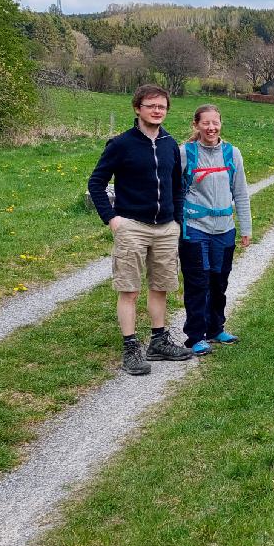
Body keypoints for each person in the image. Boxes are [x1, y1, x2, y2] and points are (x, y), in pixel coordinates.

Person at [87, 84, 194, 376]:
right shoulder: (121, 144)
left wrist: (177, 219)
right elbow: (96, 183)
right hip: (131, 226)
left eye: (162, 106)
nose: (157, 111)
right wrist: (111, 219)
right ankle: (131, 347)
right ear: (137, 108)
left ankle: (158, 341)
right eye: (151, 106)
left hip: (165, 228)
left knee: (161, 287)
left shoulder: (170, 143)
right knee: (129, 290)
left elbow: (177, 187)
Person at [179, 104, 252, 355]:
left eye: (215, 123)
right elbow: (174, 191)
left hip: (225, 230)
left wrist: (246, 227)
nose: (211, 128)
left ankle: (216, 328)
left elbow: (241, 193)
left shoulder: (233, 153)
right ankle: (195, 335)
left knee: (219, 281)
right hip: (195, 229)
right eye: (205, 123)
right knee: (198, 282)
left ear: (221, 124)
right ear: (196, 125)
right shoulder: (185, 153)